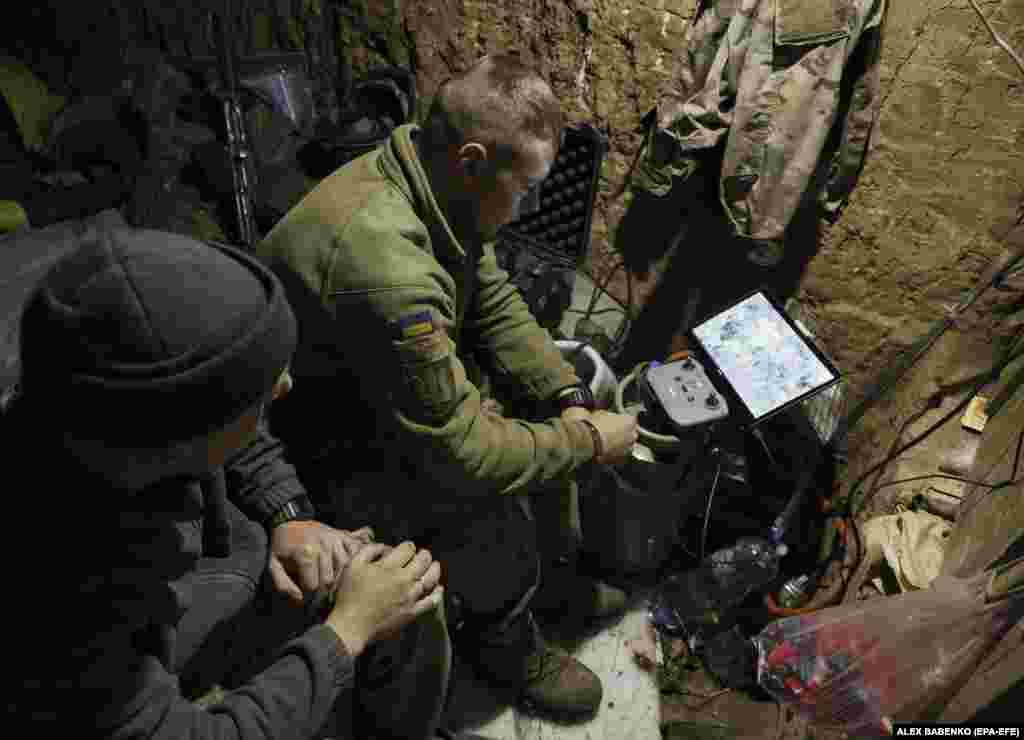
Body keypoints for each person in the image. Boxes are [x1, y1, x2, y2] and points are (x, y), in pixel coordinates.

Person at [257, 53, 640, 720]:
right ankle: (507, 637)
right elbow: (466, 454)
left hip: (367, 396)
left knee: (545, 428)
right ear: (470, 160)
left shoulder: (427, 177)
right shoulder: (389, 267)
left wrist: (563, 393)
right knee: (486, 511)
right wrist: (584, 440)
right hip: (319, 447)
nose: (532, 205)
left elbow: (489, 295)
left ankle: (541, 592)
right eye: (525, 189)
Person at [2, 223, 480, 740]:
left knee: (407, 610)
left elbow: (227, 415)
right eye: (259, 391)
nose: (284, 386)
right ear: (176, 433)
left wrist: (289, 516)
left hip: (209, 569)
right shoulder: (63, 600)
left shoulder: (106, 394)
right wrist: (345, 633)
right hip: (126, 659)